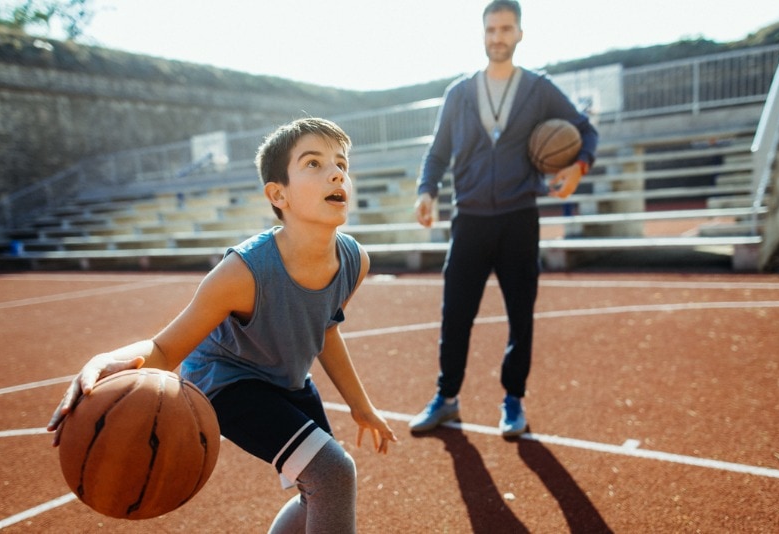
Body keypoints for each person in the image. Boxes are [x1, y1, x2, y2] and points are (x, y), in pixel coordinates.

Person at [48, 117, 397, 533]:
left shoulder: (354, 262)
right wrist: (107, 358)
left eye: (341, 163)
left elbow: (324, 330)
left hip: (288, 380)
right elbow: (164, 350)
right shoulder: (242, 273)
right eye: (313, 163)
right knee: (333, 473)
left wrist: (361, 406)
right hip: (228, 384)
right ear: (277, 194)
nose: (337, 172)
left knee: (319, 488)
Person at [409, 0, 599, 437]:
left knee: (520, 316)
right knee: (455, 315)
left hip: (518, 217)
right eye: (491, 29)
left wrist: (578, 166)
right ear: (482, 34)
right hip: (470, 219)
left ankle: (513, 401)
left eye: (506, 29)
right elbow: (437, 153)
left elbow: (586, 130)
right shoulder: (459, 93)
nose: (498, 37)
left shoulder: (538, 88)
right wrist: (426, 190)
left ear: (519, 34)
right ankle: (447, 398)